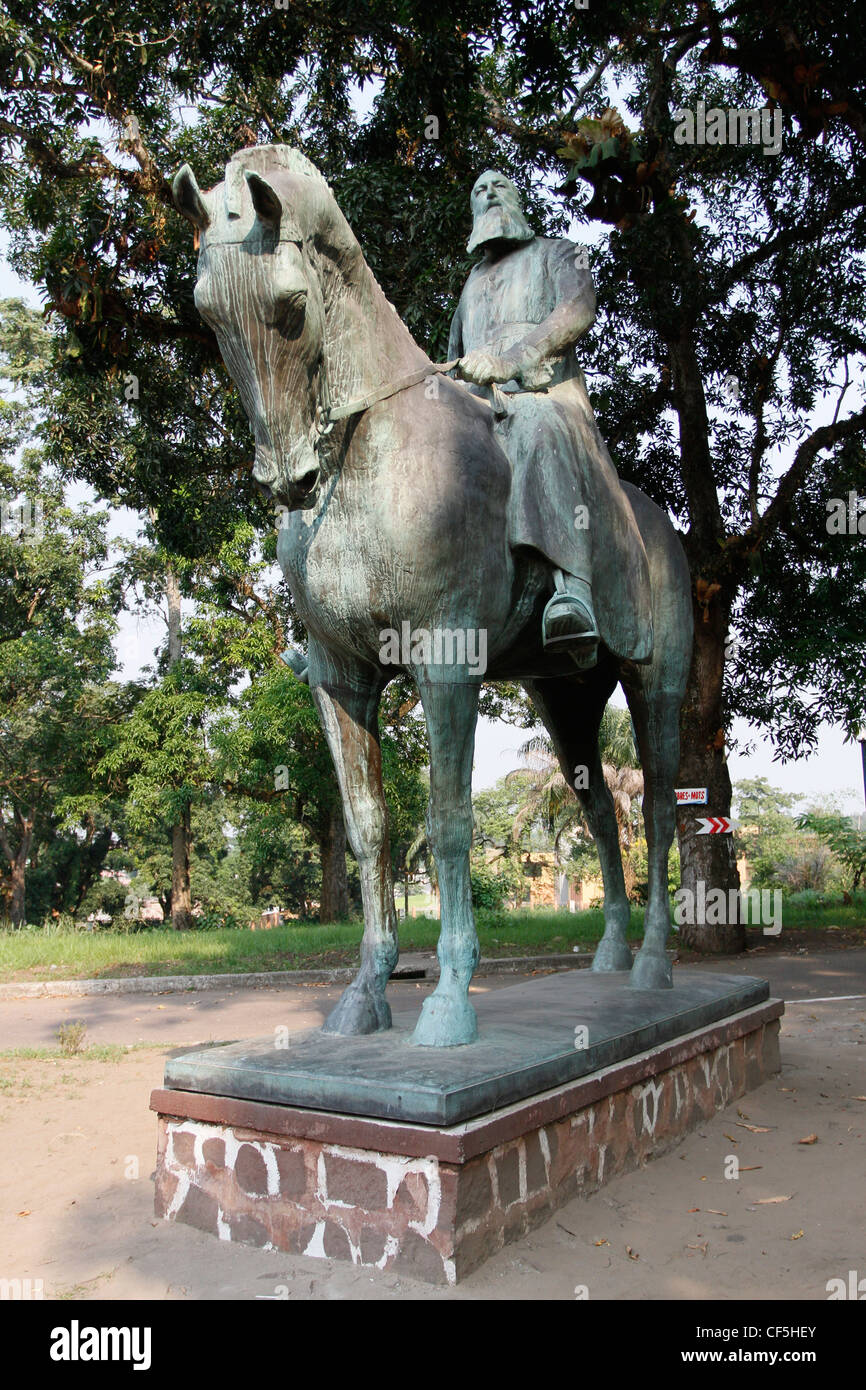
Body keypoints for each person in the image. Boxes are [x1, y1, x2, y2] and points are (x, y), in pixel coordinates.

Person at [448, 170, 653, 666]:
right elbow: (452, 359)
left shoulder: (557, 253)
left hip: (545, 394)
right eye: (478, 190)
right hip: (480, 408)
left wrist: (514, 359)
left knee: (536, 425)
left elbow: (578, 310)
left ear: (517, 197)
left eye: (499, 185)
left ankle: (573, 589)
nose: (488, 193)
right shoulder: (470, 286)